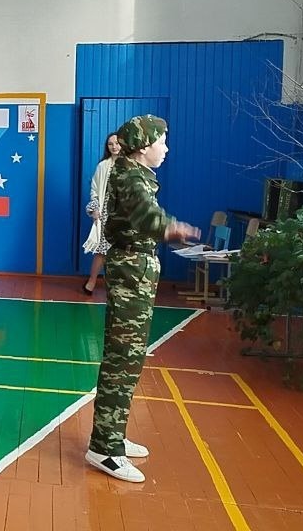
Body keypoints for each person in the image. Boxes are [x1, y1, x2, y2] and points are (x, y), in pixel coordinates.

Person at [86, 115, 199, 483]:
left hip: (136, 269)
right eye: (162, 141)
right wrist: (172, 228)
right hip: (131, 270)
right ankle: (104, 448)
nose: (166, 148)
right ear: (144, 146)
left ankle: (111, 435)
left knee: (129, 359)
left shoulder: (134, 173)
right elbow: (147, 215)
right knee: (123, 359)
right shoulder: (132, 178)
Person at [81, 132, 122, 295]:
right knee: (102, 250)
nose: (114, 146)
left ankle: (118, 286)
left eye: (117, 143)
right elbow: (95, 190)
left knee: (123, 250)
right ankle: (91, 282)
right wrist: (95, 208)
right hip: (106, 212)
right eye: (110, 144)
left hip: (125, 212)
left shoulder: (131, 165)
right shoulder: (103, 166)